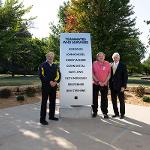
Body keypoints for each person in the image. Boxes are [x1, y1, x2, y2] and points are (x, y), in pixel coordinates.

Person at [38, 52, 61, 125]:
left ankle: (51, 116)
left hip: (54, 87)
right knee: (44, 103)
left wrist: (55, 82)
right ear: (46, 57)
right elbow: (41, 75)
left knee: (53, 102)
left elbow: (59, 75)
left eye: (52, 56)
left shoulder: (55, 66)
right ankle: (42, 119)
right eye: (49, 56)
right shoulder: (42, 65)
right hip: (46, 87)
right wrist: (49, 82)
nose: (50, 57)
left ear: (53, 57)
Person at [92, 52, 111, 118]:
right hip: (96, 84)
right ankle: (94, 111)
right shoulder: (94, 63)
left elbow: (109, 74)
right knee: (94, 98)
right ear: (97, 57)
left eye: (102, 56)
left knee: (104, 99)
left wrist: (105, 81)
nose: (101, 57)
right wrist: (98, 81)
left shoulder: (107, 63)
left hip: (105, 84)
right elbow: (92, 74)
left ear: (104, 57)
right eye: (99, 56)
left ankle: (105, 112)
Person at [109, 52, 128, 119]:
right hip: (112, 86)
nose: (115, 58)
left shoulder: (123, 65)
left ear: (119, 58)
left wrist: (123, 86)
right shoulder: (110, 65)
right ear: (113, 58)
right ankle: (116, 113)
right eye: (114, 57)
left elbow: (125, 77)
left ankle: (122, 114)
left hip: (120, 86)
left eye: (117, 57)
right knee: (114, 101)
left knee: (121, 101)